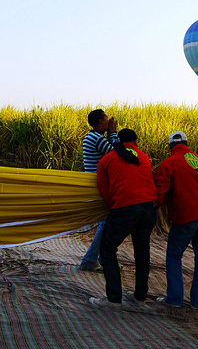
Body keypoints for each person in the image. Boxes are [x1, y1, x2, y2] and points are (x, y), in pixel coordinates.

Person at [89, 128, 158, 308]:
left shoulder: (107, 159)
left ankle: (114, 298)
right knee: (142, 251)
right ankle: (140, 297)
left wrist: (115, 207)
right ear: (134, 142)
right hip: (149, 207)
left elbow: (104, 190)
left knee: (107, 248)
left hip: (126, 207)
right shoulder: (144, 157)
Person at [154, 131, 198, 309]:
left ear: (170, 146)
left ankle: (175, 299)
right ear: (187, 144)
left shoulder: (168, 163)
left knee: (174, 255)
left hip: (185, 215)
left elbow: (160, 193)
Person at [79, 109, 118, 271]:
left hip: (95, 183)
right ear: (101, 121)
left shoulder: (91, 137)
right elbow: (116, 153)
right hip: (100, 185)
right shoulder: (97, 138)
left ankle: (103, 259)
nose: (109, 120)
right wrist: (113, 133)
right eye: (106, 117)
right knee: (105, 222)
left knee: (106, 222)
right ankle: (90, 260)